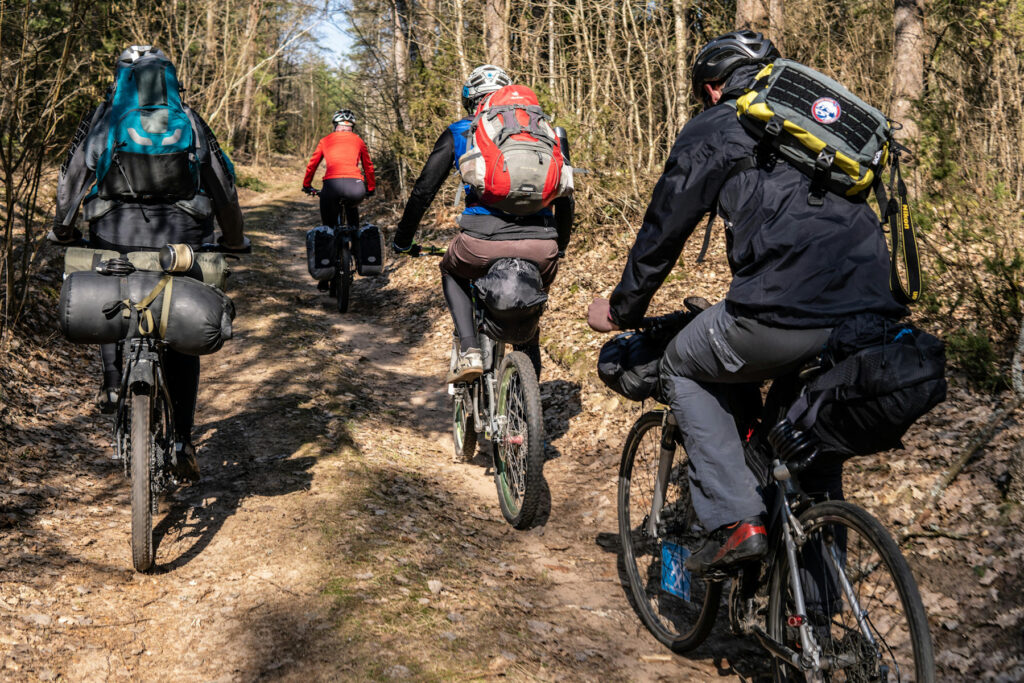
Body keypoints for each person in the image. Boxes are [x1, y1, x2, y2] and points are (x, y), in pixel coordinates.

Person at [587, 31, 907, 574]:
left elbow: (664, 229)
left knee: (684, 365)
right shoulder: (815, 132)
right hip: (871, 312)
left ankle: (738, 521)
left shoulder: (717, 126)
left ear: (713, 88)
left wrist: (622, 310)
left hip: (784, 307)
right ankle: (819, 629)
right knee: (806, 447)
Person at [51, 45, 248, 482]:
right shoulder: (190, 120)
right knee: (178, 327)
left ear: (120, 80)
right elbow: (223, 184)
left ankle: (113, 381)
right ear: (170, 80)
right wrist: (234, 238)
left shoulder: (103, 118)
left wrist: (62, 229)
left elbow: (72, 178)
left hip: (112, 233)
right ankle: (181, 439)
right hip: (184, 239)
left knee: (110, 287)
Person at [392, 65, 574, 383]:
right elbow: (566, 197)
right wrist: (559, 247)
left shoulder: (462, 130)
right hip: (542, 244)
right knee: (528, 313)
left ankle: (470, 350)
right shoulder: (548, 132)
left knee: (452, 270)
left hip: (481, 243)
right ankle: (526, 406)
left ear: (472, 103)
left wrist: (403, 239)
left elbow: (424, 189)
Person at [302, 109, 375, 229]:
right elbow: (368, 167)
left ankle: (329, 234)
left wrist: (307, 185)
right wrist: (371, 188)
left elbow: (312, 165)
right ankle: (355, 238)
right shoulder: (359, 141)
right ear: (352, 128)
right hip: (355, 188)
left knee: (328, 228)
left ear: (335, 126)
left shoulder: (325, 141)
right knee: (352, 207)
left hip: (331, 187)